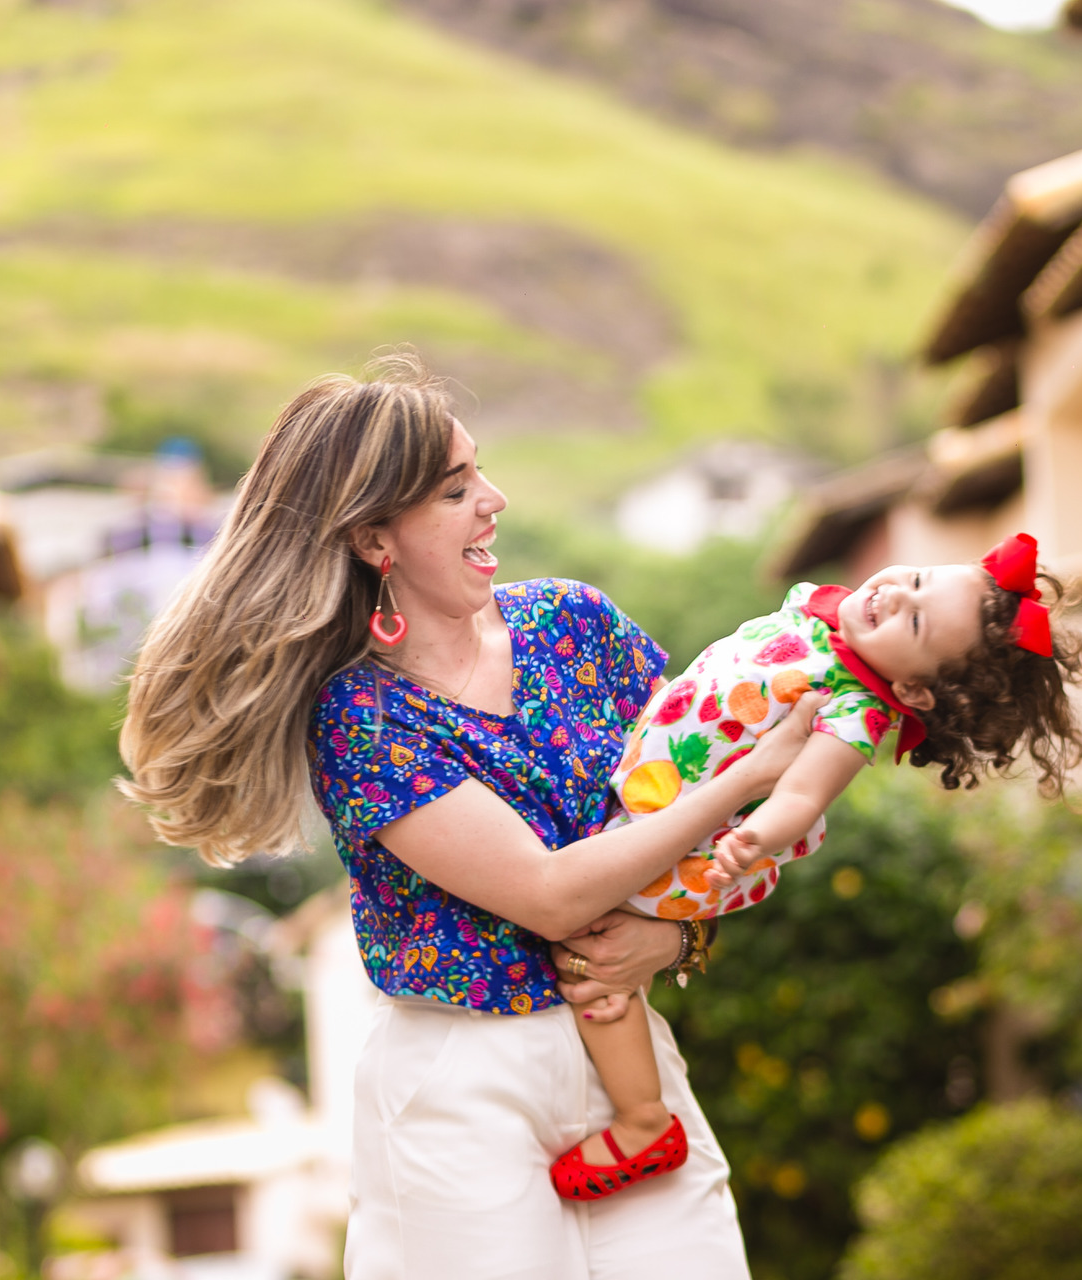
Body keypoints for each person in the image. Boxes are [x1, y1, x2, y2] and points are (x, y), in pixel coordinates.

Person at [117, 354, 824, 1280]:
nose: (493, 499)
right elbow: (551, 894)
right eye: (456, 489)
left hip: (628, 1064)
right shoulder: (362, 718)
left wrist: (678, 944)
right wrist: (746, 781)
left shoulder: (577, 626)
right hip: (460, 1089)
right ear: (377, 536)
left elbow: (724, 819)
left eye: (479, 471)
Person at [549, 533, 1082, 1202]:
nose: (897, 593)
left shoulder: (856, 709)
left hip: (695, 845)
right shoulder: (812, 614)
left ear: (912, 690)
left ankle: (643, 1121)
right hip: (649, 791)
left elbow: (803, 793)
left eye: (916, 620)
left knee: (594, 957)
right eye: (918, 577)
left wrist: (753, 839)